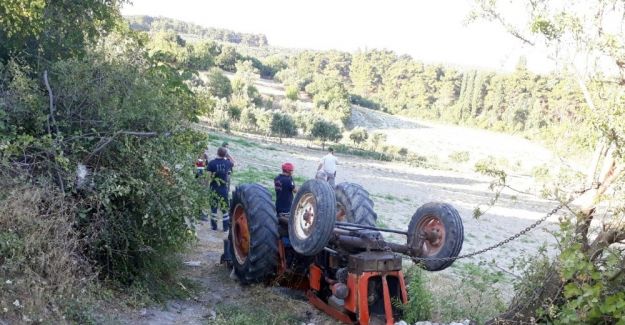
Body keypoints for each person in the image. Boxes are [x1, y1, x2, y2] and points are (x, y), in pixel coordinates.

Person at [207, 147, 234, 231]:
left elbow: (208, 177)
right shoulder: (227, 163)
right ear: (225, 154)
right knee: (225, 209)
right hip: (223, 189)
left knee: (213, 209)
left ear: (217, 152)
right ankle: (225, 228)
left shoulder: (211, 163)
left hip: (213, 188)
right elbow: (233, 162)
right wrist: (228, 155)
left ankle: (214, 227)